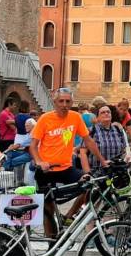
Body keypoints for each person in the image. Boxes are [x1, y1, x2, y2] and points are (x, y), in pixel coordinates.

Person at [30, 88, 106, 236]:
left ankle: (69, 216)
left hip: (66, 168)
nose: (64, 104)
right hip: (46, 171)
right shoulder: (45, 119)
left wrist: (103, 161)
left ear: (72, 102)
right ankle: (50, 244)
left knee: (89, 185)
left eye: (68, 101)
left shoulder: (75, 117)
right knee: (48, 211)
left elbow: (89, 141)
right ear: (55, 102)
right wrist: (39, 162)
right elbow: (32, 146)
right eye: (61, 101)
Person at [89, 104, 131, 169]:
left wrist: (125, 158)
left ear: (111, 116)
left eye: (108, 112)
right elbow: (83, 152)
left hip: (116, 171)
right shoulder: (92, 130)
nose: (106, 113)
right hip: (98, 171)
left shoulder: (118, 130)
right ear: (97, 117)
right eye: (103, 112)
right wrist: (87, 172)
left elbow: (124, 149)